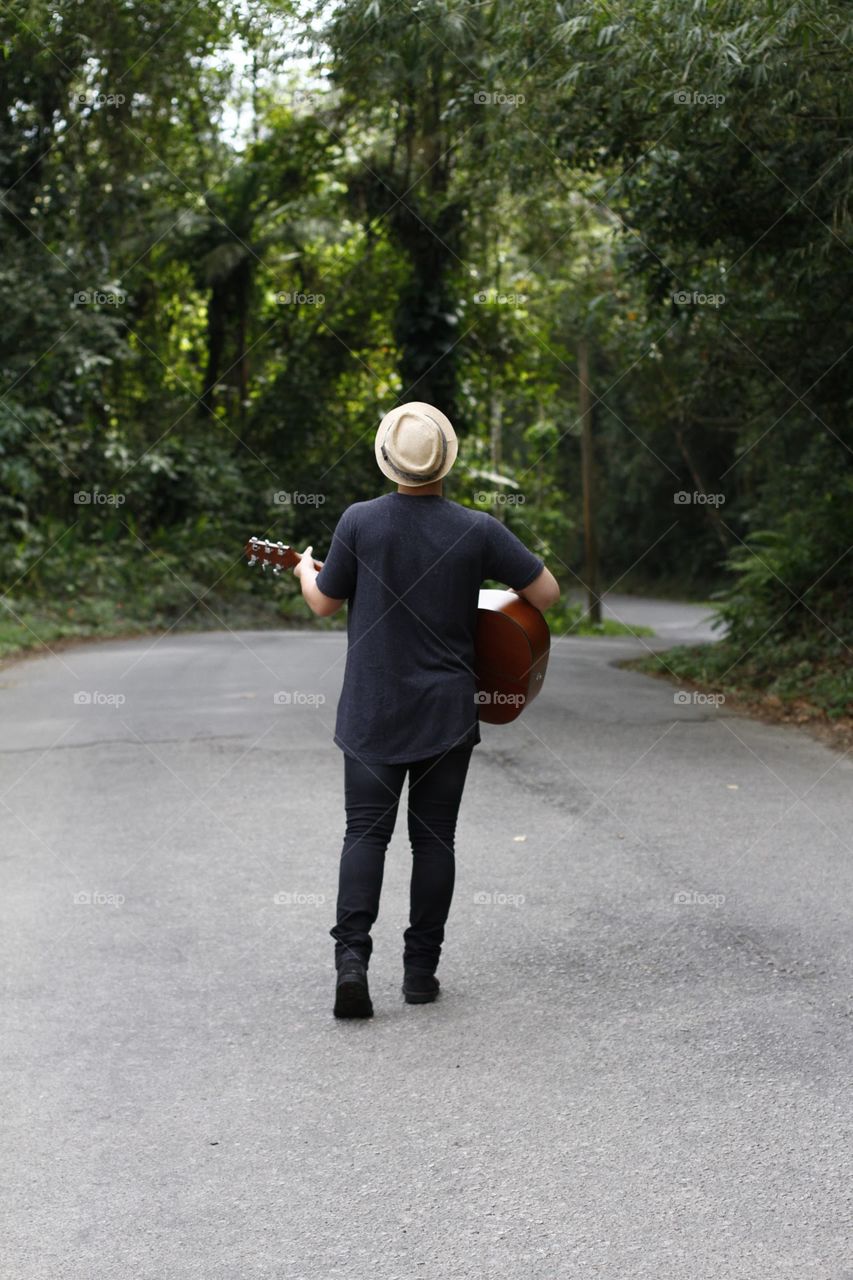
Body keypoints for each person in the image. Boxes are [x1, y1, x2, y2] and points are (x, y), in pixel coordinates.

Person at [292, 402, 560, 1018]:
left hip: (371, 709)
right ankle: (420, 974)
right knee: (434, 841)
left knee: (365, 833)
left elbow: (325, 604)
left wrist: (307, 572)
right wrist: (490, 604)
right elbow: (545, 594)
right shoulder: (477, 529)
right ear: (444, 462)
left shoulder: (359, 522)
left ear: (390, 461)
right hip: (445, 713)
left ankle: (352, 965)